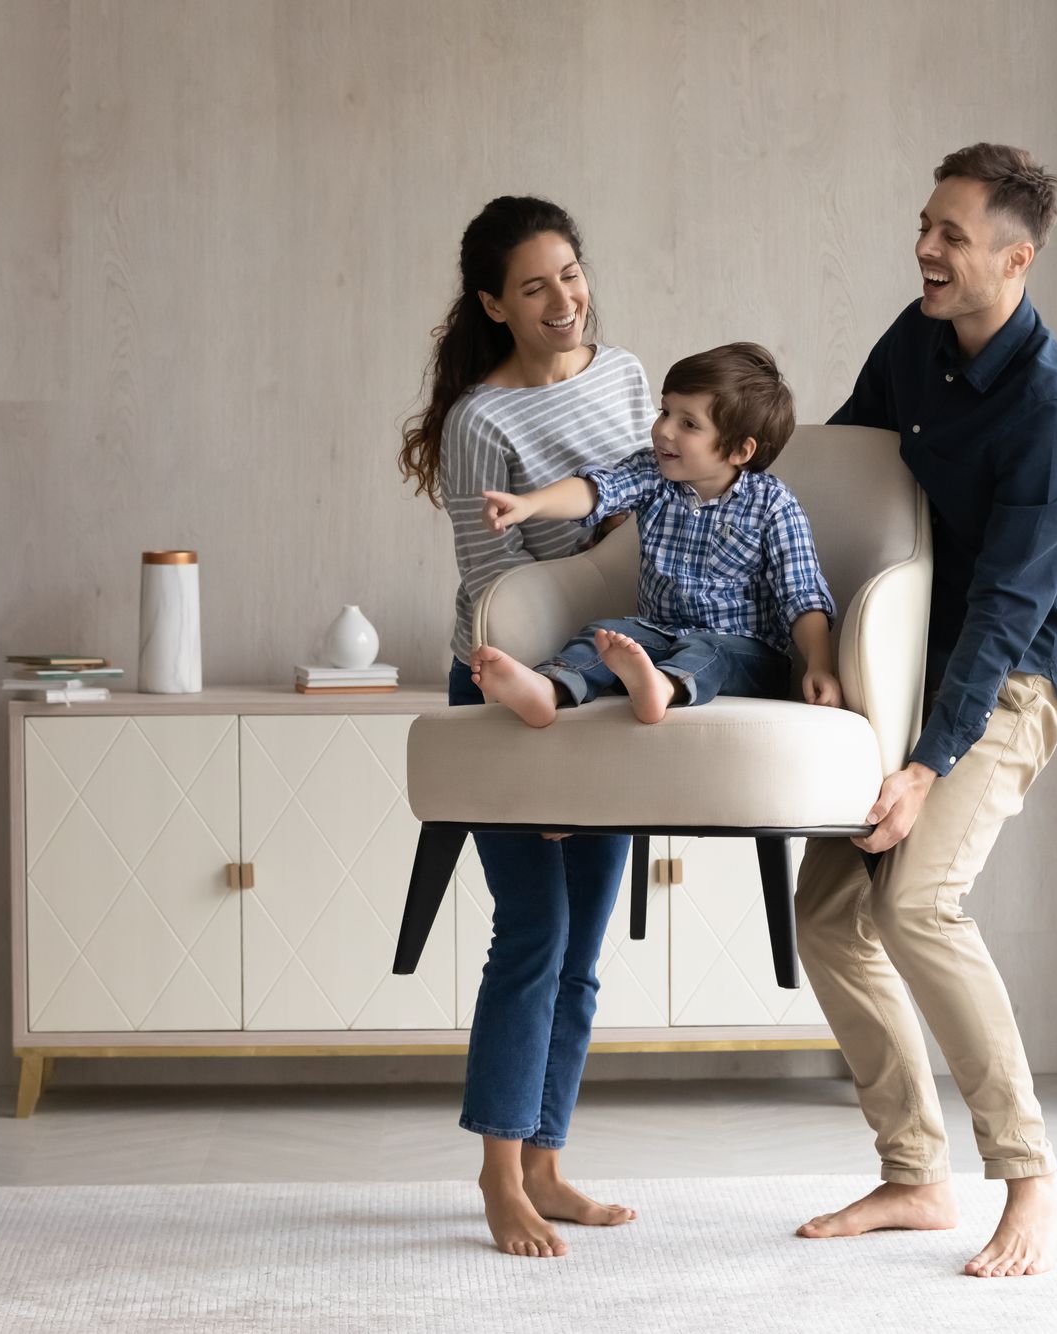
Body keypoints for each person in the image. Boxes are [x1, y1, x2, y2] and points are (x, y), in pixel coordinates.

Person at [791, 142, 1057, 1279]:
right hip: (901, 664)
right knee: (827, 914)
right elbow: (838, 476)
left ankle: (1029, 1174)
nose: (924, 247)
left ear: (1015, 260)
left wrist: (925, 765)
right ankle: (914, 1175)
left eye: (952, 236)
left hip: (1011, 679)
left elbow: (1006, 616)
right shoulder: (914, 341)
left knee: (918, 900)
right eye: (926, 224)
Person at [398, 194, 648, 1259]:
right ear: (494, 304)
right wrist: (541, 736)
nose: (562, 300)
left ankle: (547, 1164)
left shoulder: (626, 376)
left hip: (606, 685)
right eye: (534, 286)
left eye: (571, 274)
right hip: (509, 690)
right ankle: (499, 1176)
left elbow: (657, 511)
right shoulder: (480, 423)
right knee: (533, 933)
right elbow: (495, 588)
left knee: (581, 947)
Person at [471, 342, 840, 726]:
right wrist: (530, 504)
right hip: (660, 636)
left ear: (739, 450)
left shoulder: (773, 505)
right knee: (603, 634)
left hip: (746, 653)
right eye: (665, 411)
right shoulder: (653, 475)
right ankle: (549, 689)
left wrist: (820, 665)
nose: (663, 430)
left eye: (688, 424)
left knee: (709, 649)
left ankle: (662, 688)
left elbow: (801, 595)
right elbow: (598, 490)